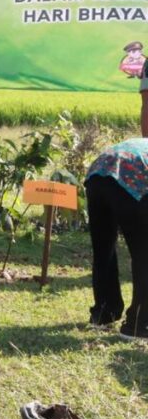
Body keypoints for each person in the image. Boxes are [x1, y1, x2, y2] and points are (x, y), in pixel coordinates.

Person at [85, 139, 148, 341]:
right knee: (144, 253)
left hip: (97, 174)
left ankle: (104, 312)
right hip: (130, 177)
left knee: (104, 249)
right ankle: (138, 324)